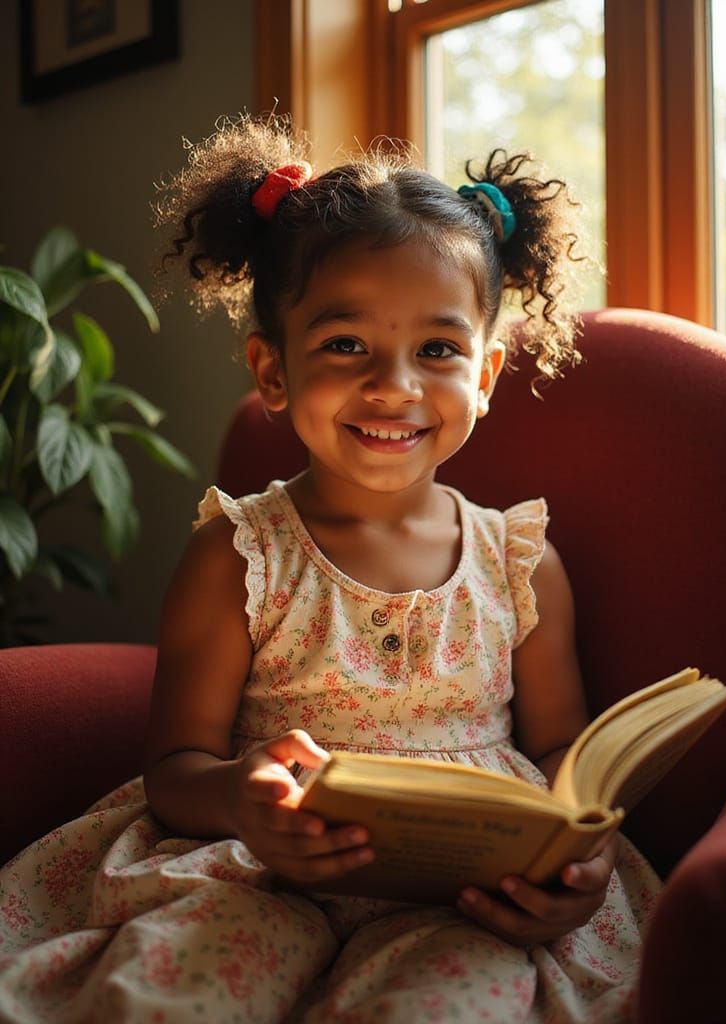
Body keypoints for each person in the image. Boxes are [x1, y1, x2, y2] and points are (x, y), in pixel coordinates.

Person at [0, 114, 660, 1023]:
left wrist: (575, 863)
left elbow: (561, 758)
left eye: (438, 349)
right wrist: (241, 797)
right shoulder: (238, 555)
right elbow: (176, 768)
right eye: (346, 345)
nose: (394, 385)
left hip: (466, 899)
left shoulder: (520, 563)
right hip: (259, 875)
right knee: (173, 992)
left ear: (488, 374)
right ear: (272, 372)